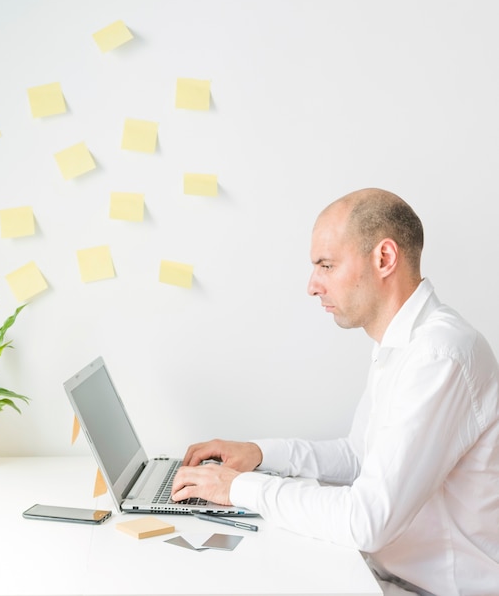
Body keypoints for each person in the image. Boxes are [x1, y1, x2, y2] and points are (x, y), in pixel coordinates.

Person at [171, 188, 499, 596]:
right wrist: (259, 454)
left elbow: (367, 521)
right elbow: (359, 456)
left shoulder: (439, 355)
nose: (312, 285)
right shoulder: (400, 345)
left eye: (326, 265)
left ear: (384, 259)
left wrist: (236, 487)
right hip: (383, 577)